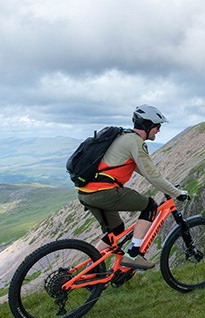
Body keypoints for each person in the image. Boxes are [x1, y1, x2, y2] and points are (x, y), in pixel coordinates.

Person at [77, 105, 189, 269]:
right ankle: (132, 255)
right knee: (150, 206)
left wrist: (166, 184)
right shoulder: (135, 142)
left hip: (86, 192)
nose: (158, 130)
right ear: (148, 125)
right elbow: (152, 175)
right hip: (103, 192)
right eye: (157, 126)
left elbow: (142, 169)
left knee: (116, 232)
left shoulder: (124, 137)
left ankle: (90, 269)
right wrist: (176, 192)